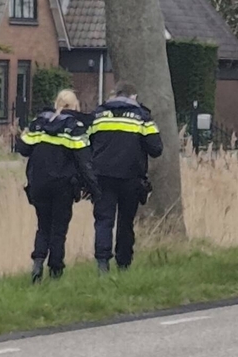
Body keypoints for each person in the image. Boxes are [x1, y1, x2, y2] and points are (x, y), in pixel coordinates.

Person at [15, 89, 101, 283]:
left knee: (43, 226)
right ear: (75, 106)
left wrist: (27, 132)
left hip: (38, 184)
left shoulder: (39, 123)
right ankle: (55, 271)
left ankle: (37, 264)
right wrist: (95, 189)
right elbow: (84, 162)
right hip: (63, 186)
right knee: (59, 229)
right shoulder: (74, 127)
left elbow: (23, 149)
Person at [88, 81, 163, 274]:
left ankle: (102, 264)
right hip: (131, 177)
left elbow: (85, 144)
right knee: (125, 221)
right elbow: (156, 149)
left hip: (102, 176)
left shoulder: (98, 115)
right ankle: (123, 263)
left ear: (114, 94)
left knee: (104, 220)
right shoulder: (142, 117)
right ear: (133, 97)